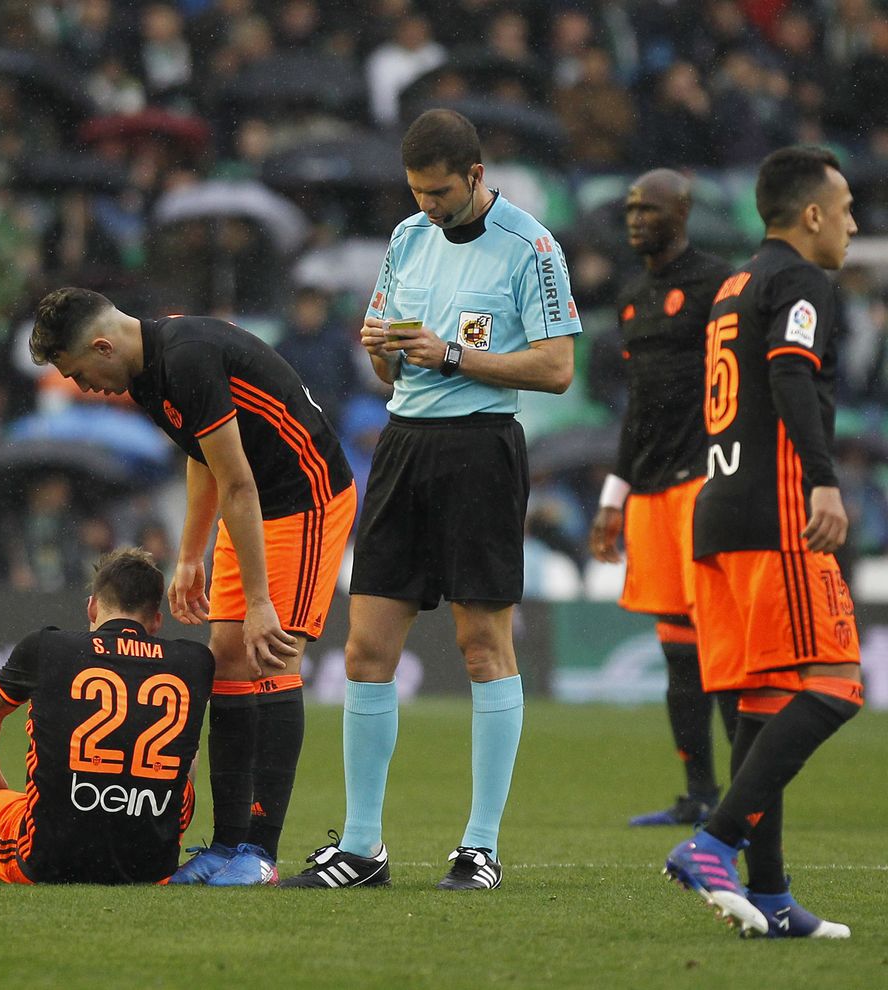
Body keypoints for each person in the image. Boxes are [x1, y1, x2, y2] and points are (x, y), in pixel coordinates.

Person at [283, 108, 581, 891]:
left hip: (482, 447)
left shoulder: (533, 248)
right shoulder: (406, 238)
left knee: (483, 644)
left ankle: (480, 846)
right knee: (364, 648)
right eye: (417, 191)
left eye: (441, 191)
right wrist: (381, 351)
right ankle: (361, 846)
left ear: (477, 176)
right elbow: (389, 371)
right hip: (403, 443)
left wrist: (454, 353)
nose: (428, 206)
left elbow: (556, 369)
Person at [30, 287, 357, 886]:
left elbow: (238, 482)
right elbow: (204, 455)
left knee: (270, 658)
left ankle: (259, 853)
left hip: (303, 497)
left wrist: (259, 603)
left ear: (103, 345)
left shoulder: (185, 358)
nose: (85, 388)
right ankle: (227, 843)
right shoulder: (149, 369)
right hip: (252, 503)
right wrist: (189, 555)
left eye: (79, 372)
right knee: (226, 662)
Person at [663, 146, 860, 939]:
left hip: (719, 510)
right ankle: (715, 843)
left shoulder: (735, 285)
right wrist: (823, 478)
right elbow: (787, 374)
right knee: (837, 682)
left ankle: (772, 894)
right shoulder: (801, 282)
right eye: (845, 208)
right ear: (810, 214)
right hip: (778, 512)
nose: (853, 224)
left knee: (765, 698)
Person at [0, 549, 213, 884]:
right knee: (186, 744)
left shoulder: (48, 648)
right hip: (150, 866)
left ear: (91, 606)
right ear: (156, 621)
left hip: (51, 859)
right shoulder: (195, 661)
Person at [587, 169, 738, 827]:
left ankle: (746, 793)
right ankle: (699, 793)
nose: (635, 217)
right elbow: (639, 409)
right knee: (678, 651)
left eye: (648, 207)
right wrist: (612, 496)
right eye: (629, 207)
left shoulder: (720, 286)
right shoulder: (632, 298)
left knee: (723, 647)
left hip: (706, 482)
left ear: (683, 209)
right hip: (649, 492)